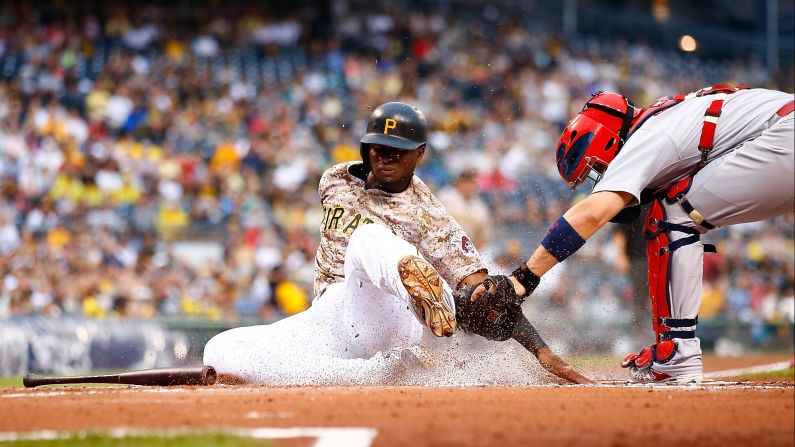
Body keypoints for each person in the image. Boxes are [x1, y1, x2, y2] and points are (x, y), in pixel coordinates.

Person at [204, 102, 590, 385]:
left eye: (398, 150)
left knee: (368, 237)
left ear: (420, 153)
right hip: (332, 316)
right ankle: (378, 373)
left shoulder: (430, 215)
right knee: (222, 352)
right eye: (378, 147)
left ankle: (414, 280)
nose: (386, 156)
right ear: (364, 148)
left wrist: (541, 351)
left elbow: (487, 297)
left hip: (394, 316)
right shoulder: (334, 180)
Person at [473, 85, 794, 383]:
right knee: (675, 207)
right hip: (783, 133)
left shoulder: (646, 135)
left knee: (670, 214)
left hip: (784, 136)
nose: (600, 176)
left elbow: (592, 212)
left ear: (609, 141)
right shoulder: (666, 120)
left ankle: (676, 352)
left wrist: (524, 278)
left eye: (596, 168)